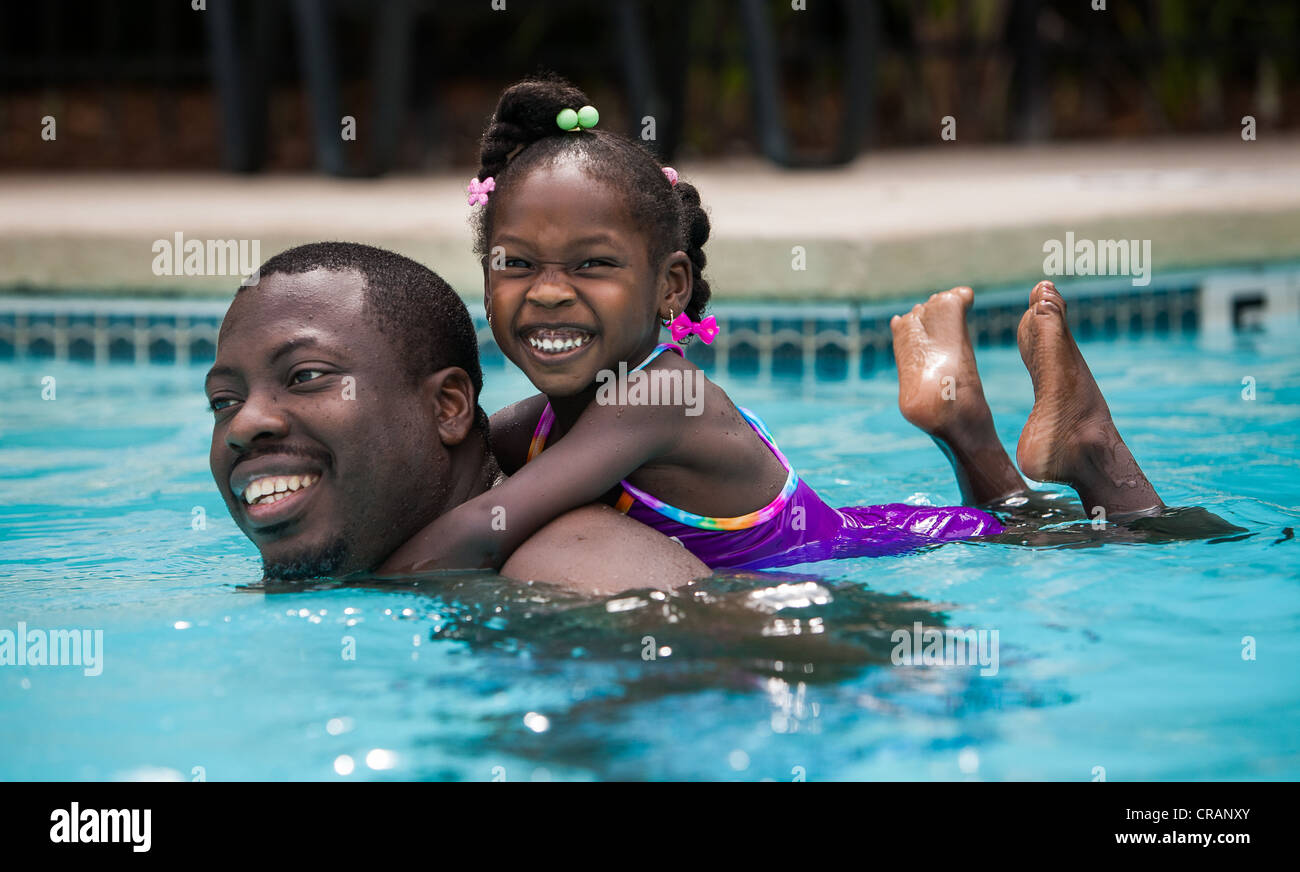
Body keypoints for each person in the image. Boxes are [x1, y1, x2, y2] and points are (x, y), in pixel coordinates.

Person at [378, 73, 1004, 576]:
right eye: (517, 263)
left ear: (669, 287)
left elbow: (485, 528)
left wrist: (343, 587)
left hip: (913, 549)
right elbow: (451, 450)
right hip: (866, 525)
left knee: (1059, 528)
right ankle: (962, 427)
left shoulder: (655, 397)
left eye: (592, 263)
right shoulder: (550, 416)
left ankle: (1022, 443)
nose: (547, 292)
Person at [205, 242, 708, 594]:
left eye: (305, 376)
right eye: (224, 401)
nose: (245, 424)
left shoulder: (572, 575)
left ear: (448, 407)